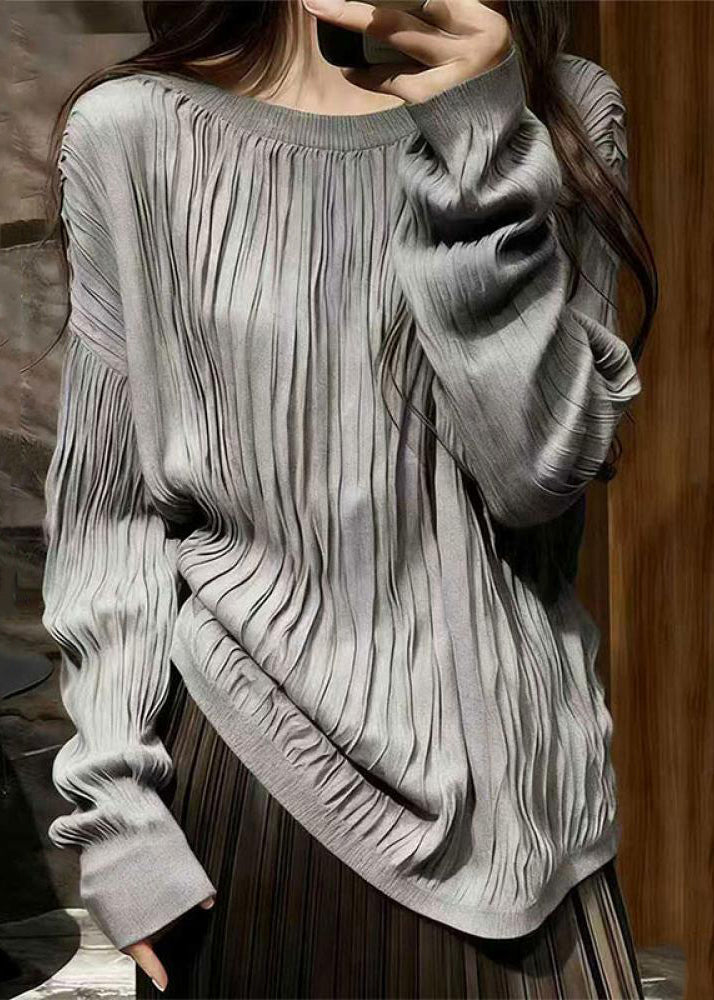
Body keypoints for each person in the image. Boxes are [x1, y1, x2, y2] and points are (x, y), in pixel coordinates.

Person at [39, 0, 657, 996]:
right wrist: (116, 815)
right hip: (255, 792)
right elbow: (111, 514)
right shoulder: (135, 132)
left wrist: (480, 144)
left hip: (530, 817)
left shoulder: (560, 111)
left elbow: (535, 473)